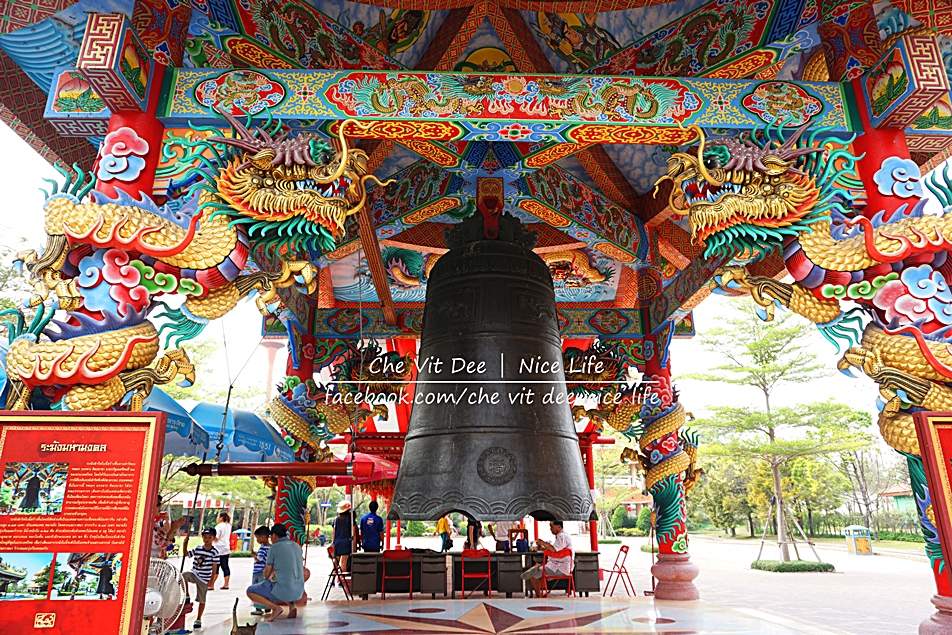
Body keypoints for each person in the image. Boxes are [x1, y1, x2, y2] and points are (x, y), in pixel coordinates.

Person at [246, 523, 305, 623]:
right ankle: (292, 606)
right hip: (299, 592)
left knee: (250, 591)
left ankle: (275, 608)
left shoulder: (274, 548)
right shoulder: (297, 546)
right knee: (286, 582)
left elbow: (266, 575)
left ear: (274, 535)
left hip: (284, 590)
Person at [520, 521, 573, 596]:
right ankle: (538, 568)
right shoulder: (564, 535)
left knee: (534, 575)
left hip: (559, 568)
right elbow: (557, 550)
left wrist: (542, 543)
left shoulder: (562, 536)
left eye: (552, 527)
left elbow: (554, 549)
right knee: (541, 571)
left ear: (559, 526)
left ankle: (538, 596)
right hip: (561, 566)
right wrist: (546, 548)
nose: (550, 529)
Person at [183, 527, 218, 630]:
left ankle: (198, 618)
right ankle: (187, 595)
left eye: (209, 537)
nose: (207, 539)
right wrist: (185, 544)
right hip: (194, 573)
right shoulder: (198, 549)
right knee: (184, 576)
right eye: (205, 537)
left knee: (202, 599)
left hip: (204, 578)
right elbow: (186, 554)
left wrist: (212, 580)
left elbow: (214, 567)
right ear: (202, 537)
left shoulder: (214, 552)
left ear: (213, 538)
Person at [250, 526, 271, 616]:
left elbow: (259, 558)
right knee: (266, 589)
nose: (257, 540)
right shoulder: (271, 547)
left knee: (256, 590)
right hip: (267, 571)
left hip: (258, 572)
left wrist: (254, 556)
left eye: (257, 538)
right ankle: (267, 606)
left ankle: (258, 608)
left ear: (262, 537)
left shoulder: (263, 548)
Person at [209, 511, 232, 590]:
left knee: (215, 567)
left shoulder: (218, 527)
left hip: (218, 549)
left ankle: (211, 584)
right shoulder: (228, 526)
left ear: (221, 518)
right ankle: (226, 584)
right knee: (225, 567)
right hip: (226, 548)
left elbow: (216, 538)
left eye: (218, 516)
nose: (217, 518)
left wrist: (210, 537)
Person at [331, 501, 354, 575]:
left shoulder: (336, 520)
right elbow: (353, 533)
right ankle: (342, 578)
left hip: (337, 542)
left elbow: (333, 532)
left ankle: (333, 578)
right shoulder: (350, 520)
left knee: (336, 562)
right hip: (346, 542)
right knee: (344, 562)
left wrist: (333, 542)